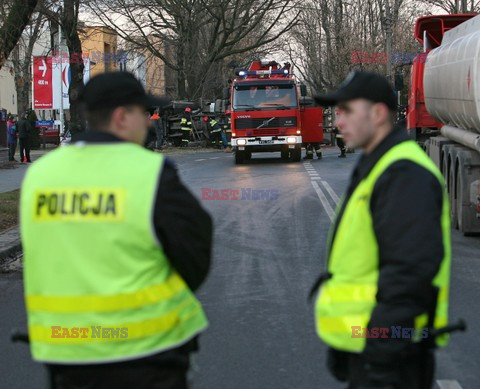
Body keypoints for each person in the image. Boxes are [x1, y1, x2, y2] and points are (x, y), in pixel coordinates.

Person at [20, 72, 213, 389]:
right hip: (145, 355)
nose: (150, 122)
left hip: (65, 353)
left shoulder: (40, 175)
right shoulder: (149, 173)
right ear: (122, 117)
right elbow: (195, 256)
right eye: (144, 113)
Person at [311, 71, 451, 389]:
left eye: (346, 111)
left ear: (377, 113)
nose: (337, 122)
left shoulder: (403, 172)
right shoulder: (381, 163)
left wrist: (382, 357)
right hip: (374, 350)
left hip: (391, 358)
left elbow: (409, 273)